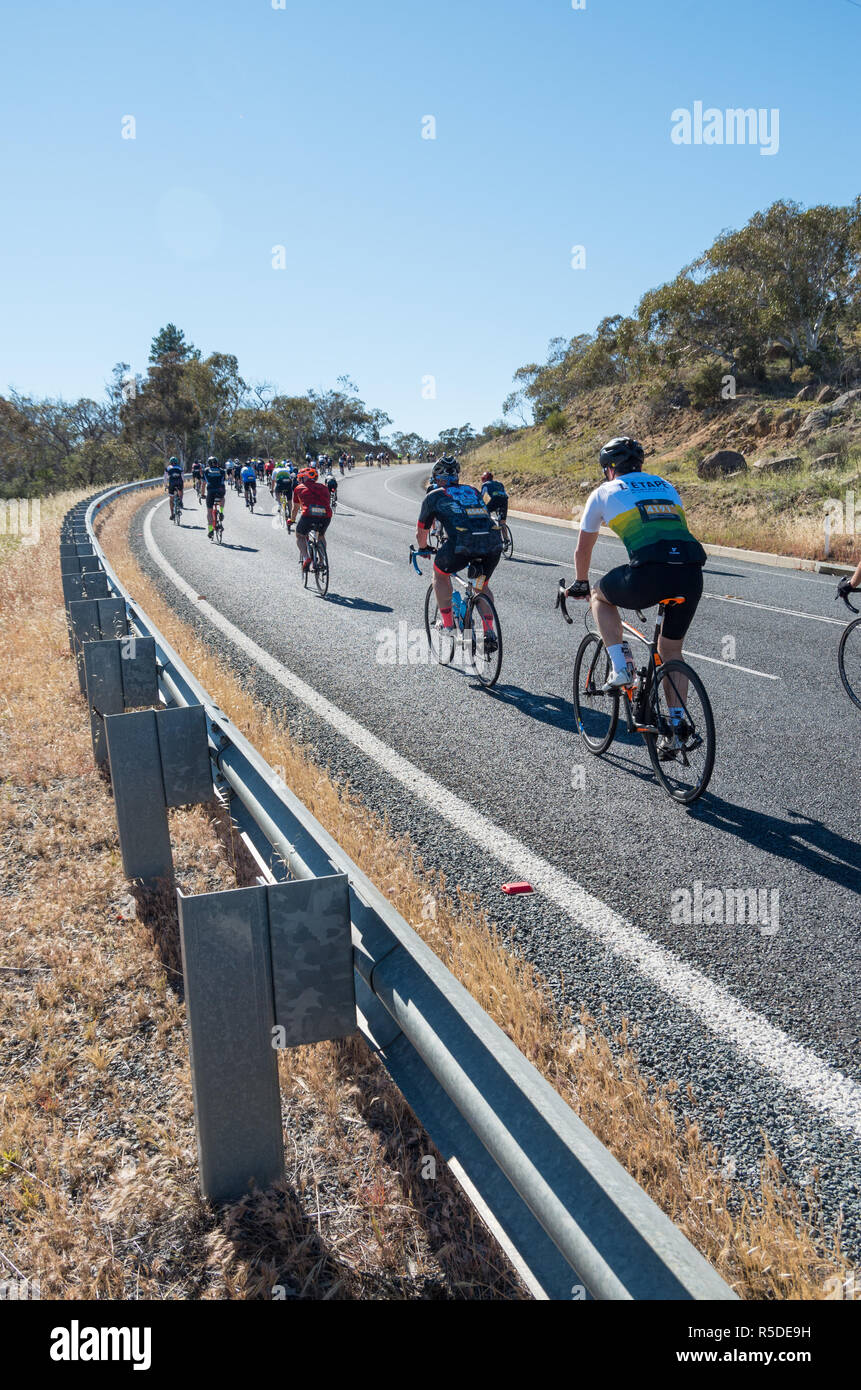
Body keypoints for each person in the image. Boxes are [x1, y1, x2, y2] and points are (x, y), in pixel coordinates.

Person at [568, 436, 707, 752]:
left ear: (609, 469)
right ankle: (676, 726)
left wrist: (580, 582)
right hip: (690, 572)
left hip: (649, 573)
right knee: (671, 652)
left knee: (600, 596)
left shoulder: (604, 492)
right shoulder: (666, 485)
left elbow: (582, 549)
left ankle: (620, 667)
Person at [415, 456, 503, 649]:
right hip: (492, 543)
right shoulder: (471, 490)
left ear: (436, 477)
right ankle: (489, 632)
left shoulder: (434, 496)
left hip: (461, 544)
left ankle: (448, 626)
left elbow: (422, 530)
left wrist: (423, 548)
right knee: (481, 585)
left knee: (439, 575)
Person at [290, 465, 332, 571]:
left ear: (304, 478)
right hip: (325, 516)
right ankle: (322, 561)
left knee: (299, 535)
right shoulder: (324, 487)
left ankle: (306, 558)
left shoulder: (298, 488)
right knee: (321, 535)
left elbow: (295, 508)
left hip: (308, 515)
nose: (299, 480)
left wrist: (292, 520)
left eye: (300, 478)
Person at [203, 456, 227, 538]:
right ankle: (221, 511)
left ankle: (210, 530)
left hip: (210, 492)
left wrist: (202, 494)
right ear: (217, 463)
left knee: (209, 512)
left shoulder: (206, 471)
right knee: (222, 497)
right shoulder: (222, 471)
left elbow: (204, 483)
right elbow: (223, 481)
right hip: (220, 490)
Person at [272, 460, 295, 527]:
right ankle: (291, 514)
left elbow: (273, 481)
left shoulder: (275, 470)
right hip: (288, 484)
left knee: (277, 492)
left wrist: (272, 489)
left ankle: (280, 503)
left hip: (280, 485)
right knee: (290, 501)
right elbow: (291, 478)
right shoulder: (286, 469)